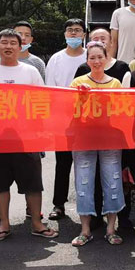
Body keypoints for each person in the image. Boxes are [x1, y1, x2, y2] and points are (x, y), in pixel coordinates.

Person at [0, 29, 58, 241]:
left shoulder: (30, 71)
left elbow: (42, 101)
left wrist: (41, 132)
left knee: (32, 183)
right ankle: (4, 224)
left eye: (13, 43)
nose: (8, 46)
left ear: (20, 46)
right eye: (4, 42)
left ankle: (37, 224)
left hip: (26, 137)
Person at [69, 42, 126, 246]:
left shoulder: (115, 83)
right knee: (83, 182)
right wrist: (81, 98)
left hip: (110, 137)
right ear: (87, 61)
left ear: (106, 59)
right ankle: (85, 229)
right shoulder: (78, 83)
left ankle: (111, 228)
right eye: (92, 58)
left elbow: (121, 111)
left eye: (100, 57)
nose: (96, 61)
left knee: (113, 180)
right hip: (84, 137)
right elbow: (69, 111)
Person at [45, 18, 87, 221]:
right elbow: (49, 89)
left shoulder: (91, 56)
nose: (73, 34)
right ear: (64, 34)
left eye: (77, 30)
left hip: (88, 117)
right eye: (70, 30)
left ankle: (87, 203)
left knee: (86, 162)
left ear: (84, 34)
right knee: (63, 163)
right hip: (63, 117)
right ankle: (58, 203)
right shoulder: (56, 59)